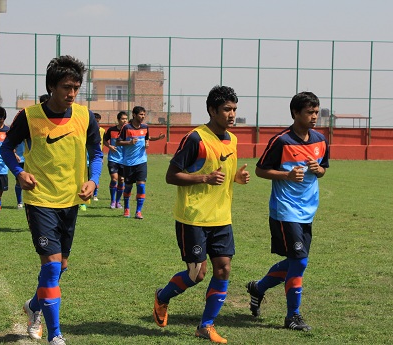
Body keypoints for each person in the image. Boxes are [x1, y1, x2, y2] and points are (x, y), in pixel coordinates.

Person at [0, 55, 103, 345]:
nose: (72, 93)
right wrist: (19, 172)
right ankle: (55, 334)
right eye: (66, 87)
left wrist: (93, 180)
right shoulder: (30, 116)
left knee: (61, 266)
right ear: (51, 87)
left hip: (71, 200)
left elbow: (96, 153)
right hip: (40, 199)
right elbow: (7, 148)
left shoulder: (85, 117)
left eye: (76, 87)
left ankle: (34, 306)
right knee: (52, 266)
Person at [153, 86, 250, 344]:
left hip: (222, 218)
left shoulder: (233, 139)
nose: (232, 114)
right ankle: (162, 297)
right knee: (197, 275)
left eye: (235, 109)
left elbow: (223, 174)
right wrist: (204, 178)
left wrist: (236, 178)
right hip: (193, 218)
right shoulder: (195, 138)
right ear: (212, 110)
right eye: (227, 109)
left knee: (224, 269)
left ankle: (206, 326)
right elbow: (171, 176)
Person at [246, 91, 329, 332]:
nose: (314, 117)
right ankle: (293, 316)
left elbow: (323, 169)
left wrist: (318, 170)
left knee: (296, 262)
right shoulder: (282, 141)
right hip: (285, 210)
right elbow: (261, 170)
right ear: (295, 113)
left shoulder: (320, 139)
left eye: (316, 112)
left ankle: (258, 288)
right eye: (309, 112)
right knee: (299, 261)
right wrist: (287, 175)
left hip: (308, 210)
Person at [116, 106, 165, 219]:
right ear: (134, 114)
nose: (142, 117)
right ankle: (127, 208)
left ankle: (138, 211)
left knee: (141, 186)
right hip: (128, 162)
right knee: (128, 187)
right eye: (140, 114)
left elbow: (146, 138)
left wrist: (154, 140)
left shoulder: (145, 127)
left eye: (144, 114)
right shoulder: (126, 127)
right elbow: (118, 142)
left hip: (142, 161)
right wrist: (129, 143)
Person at [103, 111, 128, 209]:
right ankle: (112, 201)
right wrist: (110, 147)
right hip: (113, 158)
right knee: (114, 178)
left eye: (126, 118)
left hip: (125, 160)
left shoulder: (129, 130)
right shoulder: (111, 130)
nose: (125, 120)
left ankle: (118, 202)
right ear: (118, 120)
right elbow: (104, 140)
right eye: (123, 119)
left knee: (122, 180)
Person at [92, 112, 105, 201]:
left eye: (98, 122)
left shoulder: (102, 131)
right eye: (95, 121)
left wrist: (102, 157)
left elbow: (102, 144)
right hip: (87, 156)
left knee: (96, 175)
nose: (97, 123)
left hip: (97, 156)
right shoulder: (86, 130)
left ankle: (95, 195)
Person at [14, 142, 25, 209]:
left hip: (29, 159)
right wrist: (14, 154)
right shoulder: (17, 133)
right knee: (18, 182)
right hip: (19, 160)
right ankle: (19, 202)